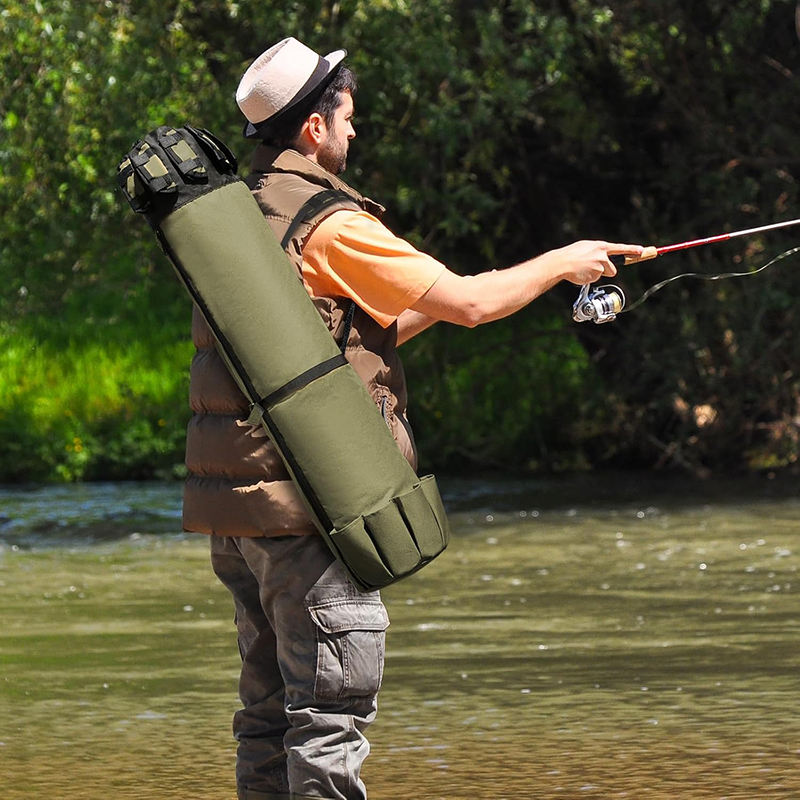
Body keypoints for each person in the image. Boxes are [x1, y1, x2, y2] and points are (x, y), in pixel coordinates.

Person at [182, 37, 643, 800]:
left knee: (266, 724)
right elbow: (471, 305)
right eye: (347, 117)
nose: (354, 130)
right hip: (311, 513)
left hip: (240, 518)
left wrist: (511, 280)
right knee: (328, 723)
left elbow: (339, 339)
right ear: (314, 129)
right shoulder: (331, 223)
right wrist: (563, 261)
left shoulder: (241, 212)